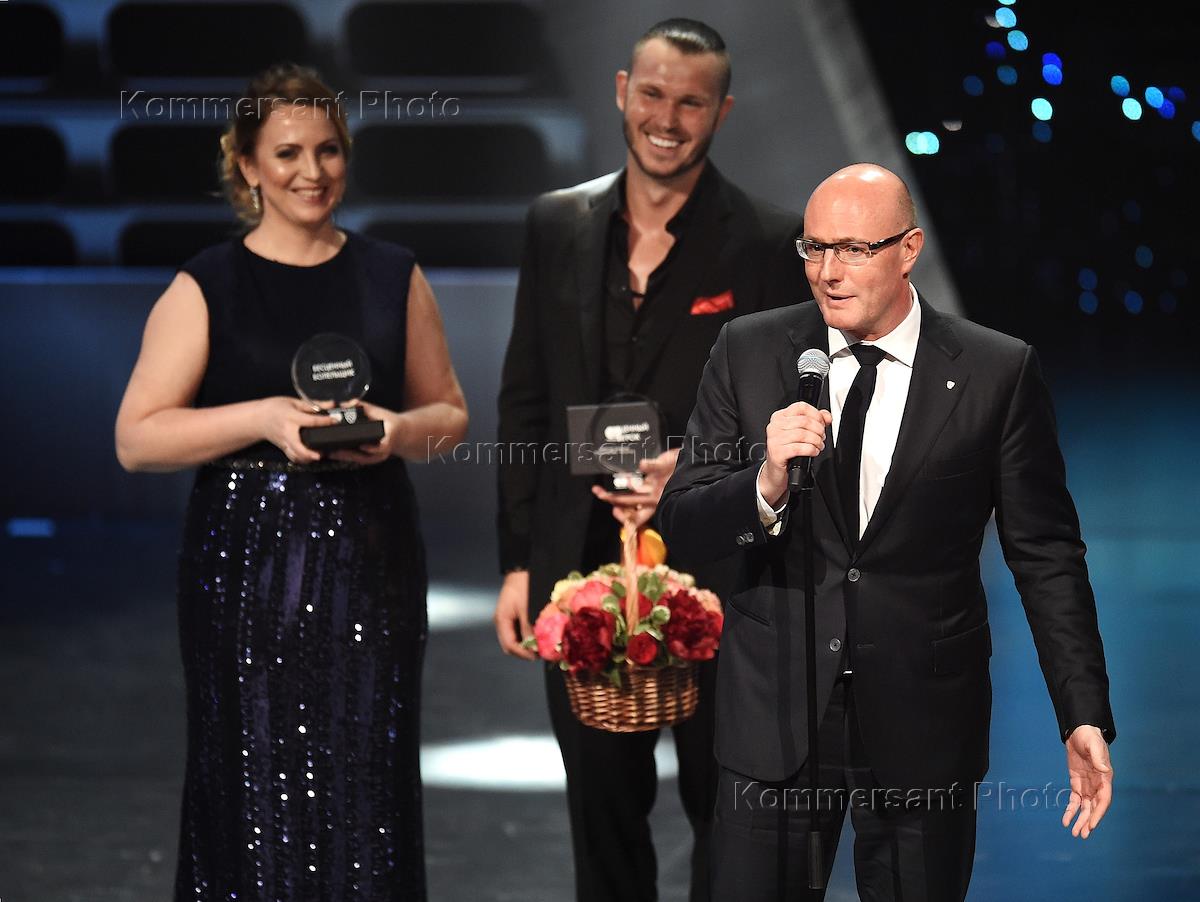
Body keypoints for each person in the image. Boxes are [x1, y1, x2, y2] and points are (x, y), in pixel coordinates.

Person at [658, 163, 1115, 900]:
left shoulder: (996, 371)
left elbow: (1046, 554)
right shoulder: (749, 350)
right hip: (775, 719)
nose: (827, 272)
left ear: (908, 249)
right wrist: (764, 485)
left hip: (923, 725)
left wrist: (1081, 711)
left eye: (853, 249)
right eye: (814, 248)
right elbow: (682, 523)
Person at [114, 63, 467, 901]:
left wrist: (395, 431)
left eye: (328, 150)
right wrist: (264, 417)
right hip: (247, 563)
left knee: (367, 776)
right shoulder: (208, 283)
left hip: (371, 558)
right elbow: (137, 438)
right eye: (288, 153)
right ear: (246, 165)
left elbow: (450, 416)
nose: (313, 171)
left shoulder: (393, 273)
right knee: (249, 776)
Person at [492, 19, 805, 902]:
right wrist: (518, 561)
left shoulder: (767, 242)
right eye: (654, 94)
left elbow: (792, 415)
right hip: (579, 569)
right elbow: (525, 401)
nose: (667, 119)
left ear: (722, 111)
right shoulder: (556, 224)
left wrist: (695, 462)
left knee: (727, 813)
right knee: (601, 817)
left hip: (718, 572)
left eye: (691, 102)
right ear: (623, 91)